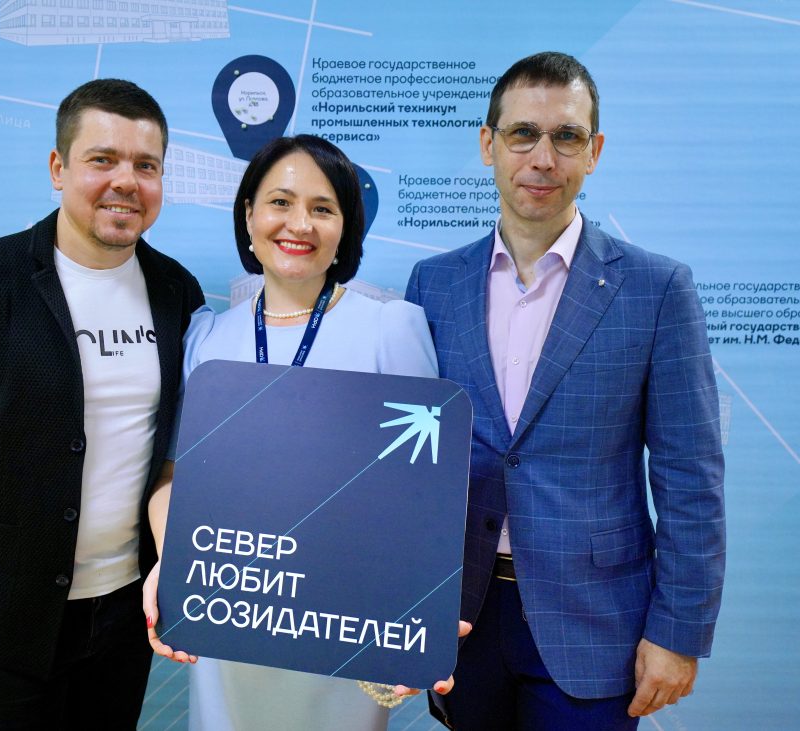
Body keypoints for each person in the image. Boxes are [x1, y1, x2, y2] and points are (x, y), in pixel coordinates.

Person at [406, 51, 726, 730]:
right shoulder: (433, 284)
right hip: (462, 615)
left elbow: (690, 474)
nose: (543, 158)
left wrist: (679, 632)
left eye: (567, 137)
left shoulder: (658, 289)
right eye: (523, 133)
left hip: (597, 624)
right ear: (489, 144)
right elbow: (412, 461)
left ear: (594, 151)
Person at [0, 78, 204, 729]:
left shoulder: (177, 293)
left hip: (125, 618)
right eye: (103, 159)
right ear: (59, 168)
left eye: (147, 166)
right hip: (9, 621)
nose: (126, 181)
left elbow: (179, 442)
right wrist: (0, 512)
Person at [141, 134, 450, 731]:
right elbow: (173, 475)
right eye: (280, 202)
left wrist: (416, 613)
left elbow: (424, 499)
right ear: (248, 215)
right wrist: (174, 562)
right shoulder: (207, 337)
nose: (299, 224)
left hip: (343, 626)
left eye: (322, 208)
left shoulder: (390, 329)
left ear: (345, 227)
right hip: (229, 611)